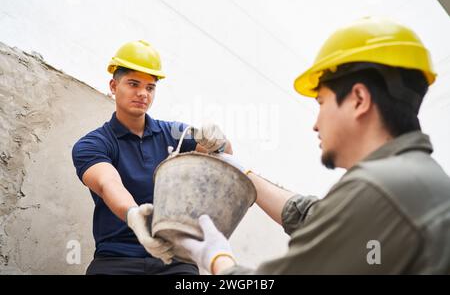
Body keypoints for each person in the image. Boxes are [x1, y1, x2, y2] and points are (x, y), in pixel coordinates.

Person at [180, 17, 450, 274]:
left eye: (321, 103)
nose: (316, 124)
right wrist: (241, 172)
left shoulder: (378, 187)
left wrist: (217, 258)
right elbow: (319, 217)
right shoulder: (415, 178)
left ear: (358, 99)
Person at [72, 40, 232, 275]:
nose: (142, 94)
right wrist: (134, 216)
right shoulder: (93, 143)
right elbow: (108, 184)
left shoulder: (174, 133)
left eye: (150, 87)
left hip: (175, 259)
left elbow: (224, 156)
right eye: (133, 84)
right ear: (113, 86)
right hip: (117, 258)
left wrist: (219, 141)